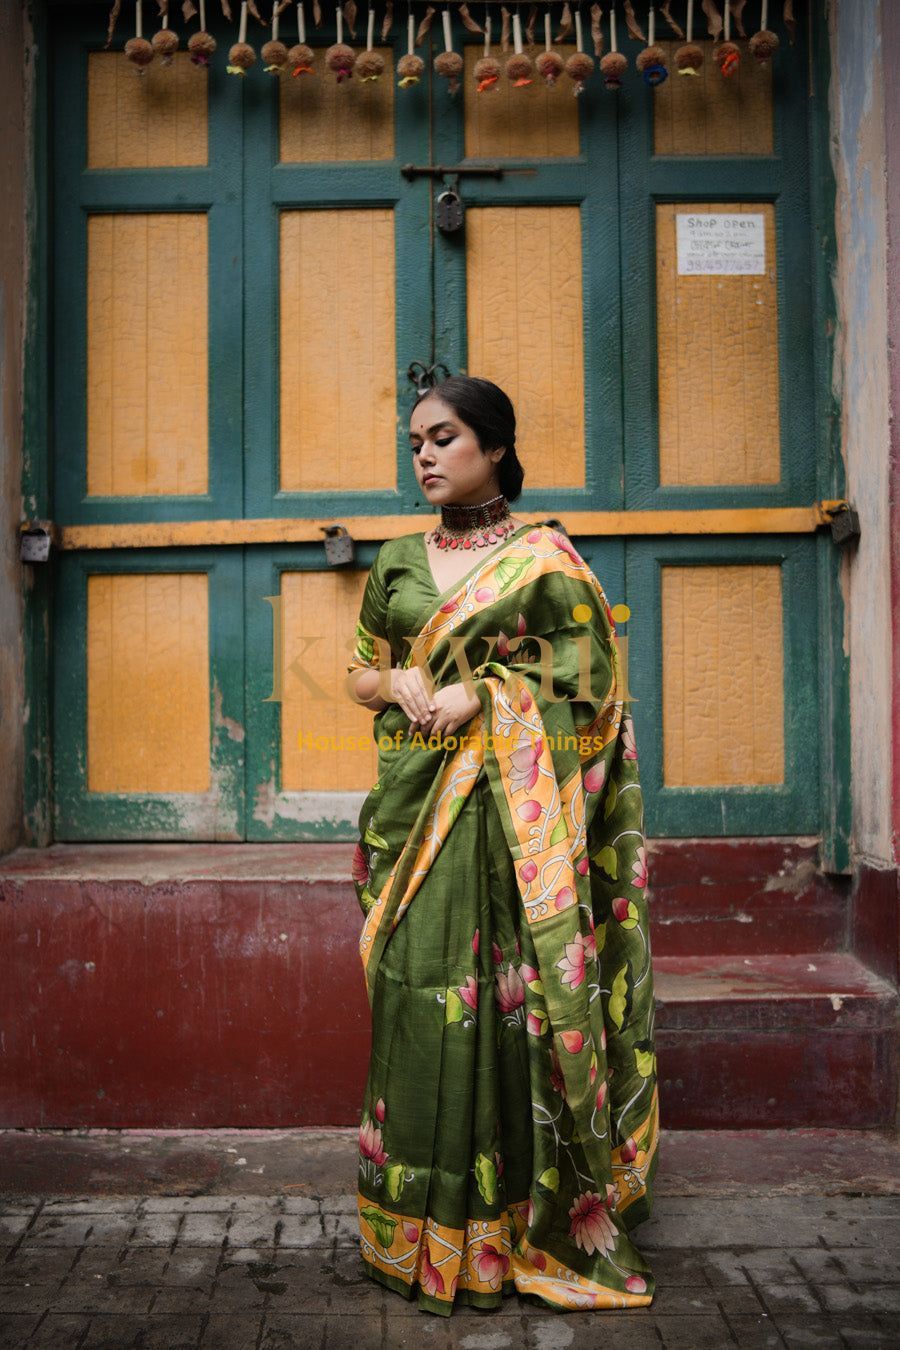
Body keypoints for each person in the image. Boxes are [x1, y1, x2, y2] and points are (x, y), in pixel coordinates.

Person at [345, 375, 659, 1316]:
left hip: (518, 829)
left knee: (514, 1003)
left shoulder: (543, 559)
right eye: (415, 443)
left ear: (493, 446)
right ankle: (419, 1228)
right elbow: (357, 669)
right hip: (417, 812)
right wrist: (396, 682)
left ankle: (521, 1222)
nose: (426, 457)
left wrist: (484, 692)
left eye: (444, 438)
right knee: (416, 993)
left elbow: (591, 669)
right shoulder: (397, 558)